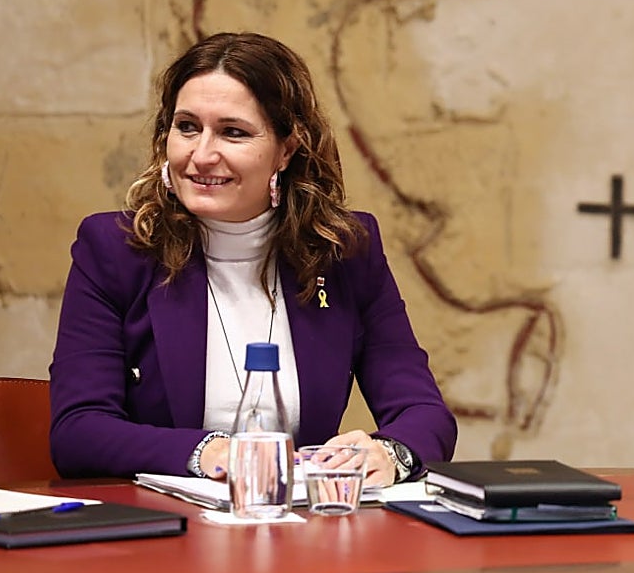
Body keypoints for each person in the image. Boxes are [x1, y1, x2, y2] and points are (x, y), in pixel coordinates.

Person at [50, 32, 457, 484]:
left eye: (233, 132)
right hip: (162, 534)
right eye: (187, 127)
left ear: (286, 149)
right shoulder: (116, 248)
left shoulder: (343, 251)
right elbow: (78, 431)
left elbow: (425, 414)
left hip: (301, 532)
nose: (201, 155)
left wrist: (390, 452)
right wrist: (210, 453)